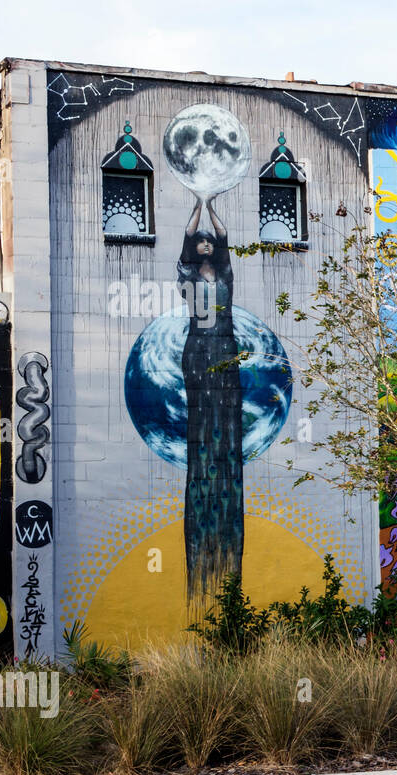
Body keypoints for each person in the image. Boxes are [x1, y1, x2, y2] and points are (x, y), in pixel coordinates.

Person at [178, 196, 244, 601]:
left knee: (226, 441)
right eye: (200, 242)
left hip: (225, 349)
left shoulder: (225, 274)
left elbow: (224, 235)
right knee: (201, 436)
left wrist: (213, 204)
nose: (205, 244)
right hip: (198, 349)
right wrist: (198, 204)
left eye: (208, 243)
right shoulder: (186, 272)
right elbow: (187, 233)